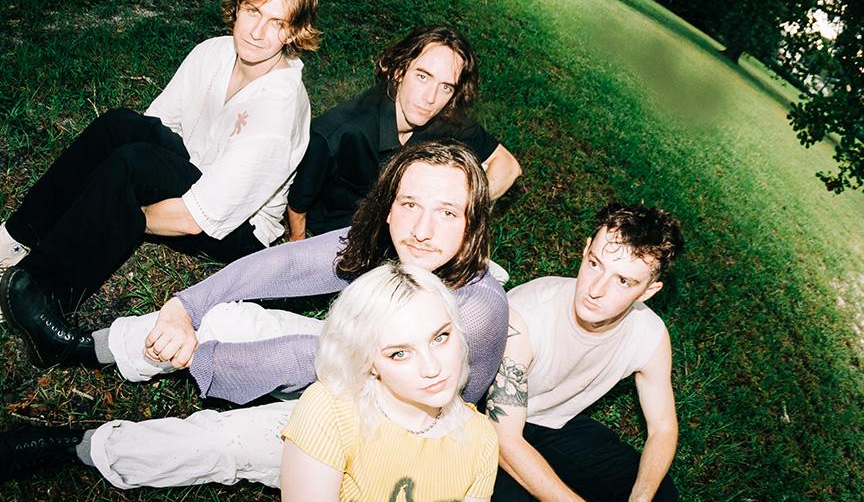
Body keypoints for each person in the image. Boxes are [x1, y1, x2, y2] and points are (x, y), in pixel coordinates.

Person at [0, 140, 509, 490]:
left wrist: (210, 359)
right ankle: (84, 347)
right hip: (342, 365)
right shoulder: (388, 243)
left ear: (472, 223)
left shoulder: (477, 312)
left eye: (448, 212)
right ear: (389, 208)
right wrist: (186, 307)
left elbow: (334, 370)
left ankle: (77, 447)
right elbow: (280, 267)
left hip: (375, 433)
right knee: (228, 315)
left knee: (218, 441)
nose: (422, 229)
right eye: (410, 205)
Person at [0, 0, 320, 339]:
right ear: (237, 8)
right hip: (197, 172)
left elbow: (195, 219)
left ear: (292, 33)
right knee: (120, 126)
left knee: (132, 167)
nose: (257, 32)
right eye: (253, 12)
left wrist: (111, 210)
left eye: (277, 23)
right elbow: (155, 125)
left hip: (235, 228)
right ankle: (15, 239)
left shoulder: (278, 109)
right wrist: (104, 186)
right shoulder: (215, 51)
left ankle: (35, 289)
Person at [487, 204, 684, 502]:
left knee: (661, 495)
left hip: (553, 425)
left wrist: (640, 499)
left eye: (623, 281)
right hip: (487, 422)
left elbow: (663, 427)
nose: (596, 290)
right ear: (586, 250)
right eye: (595, 264)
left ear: (647, 291)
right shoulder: (527, 315)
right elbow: (504, 440)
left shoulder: (649, 335)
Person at [280, 262, 498, 501]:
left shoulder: (481, 437)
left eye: (440, 337)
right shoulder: (330, 410)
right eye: (400, 353)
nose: (432, 368)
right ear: (369, 362)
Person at [285, 25, 521, 240]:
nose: (430, 99)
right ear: (398, 72)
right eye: (422, 77)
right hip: (337, 237)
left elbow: (508, 166)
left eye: (446, 87)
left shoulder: (442, 117)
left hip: (406, 231)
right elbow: (297, 205)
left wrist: (459, 211)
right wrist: (298, 249)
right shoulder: (340, 131)